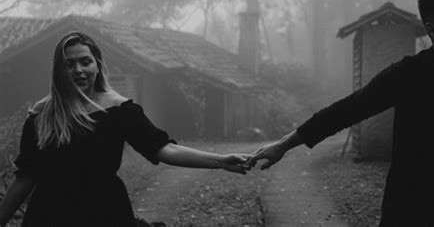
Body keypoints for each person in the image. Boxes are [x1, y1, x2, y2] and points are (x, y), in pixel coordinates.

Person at [249, 0, 434, 226]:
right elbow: (348, 110)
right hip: (409, 207)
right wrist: (283, 145)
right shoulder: (409, 74)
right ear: (433, 31)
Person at [0, 32, 251, 227]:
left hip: (105, 212)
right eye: (69, 64)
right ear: (59, 70)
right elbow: (26, 177)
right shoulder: (41, 115)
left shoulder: (120, 110)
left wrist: (219, 160)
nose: (78, 70)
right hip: (50, 216)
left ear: (97, 65)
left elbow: (164, 150)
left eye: (85, 62)